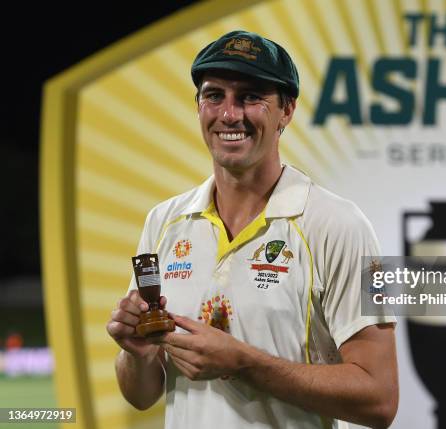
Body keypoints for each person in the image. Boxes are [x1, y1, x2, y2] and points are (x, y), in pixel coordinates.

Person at [106, 30, 398, 429]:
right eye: (214, 95)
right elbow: (142, 395)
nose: (229, 114)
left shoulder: (340, 226)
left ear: (287, 111)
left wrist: (244, 363)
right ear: (198, 107)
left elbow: (379, 398)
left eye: (250, 96)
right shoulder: (164, 222)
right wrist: (136, 354)